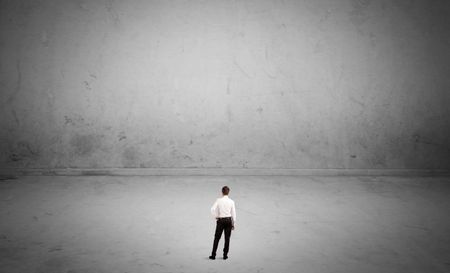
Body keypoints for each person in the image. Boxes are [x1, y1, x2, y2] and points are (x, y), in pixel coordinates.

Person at [209, 186, 236, 260]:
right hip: (228, 221)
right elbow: (233, 214)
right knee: (227, 239)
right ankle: (225, 255)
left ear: (222, 192)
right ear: (228, 192)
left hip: (220, 221)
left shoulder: (218, 200)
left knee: (217, 238)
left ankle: (213, 255)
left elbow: (212, 209)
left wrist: (216, 216)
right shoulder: (231, 201)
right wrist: (233, 224)